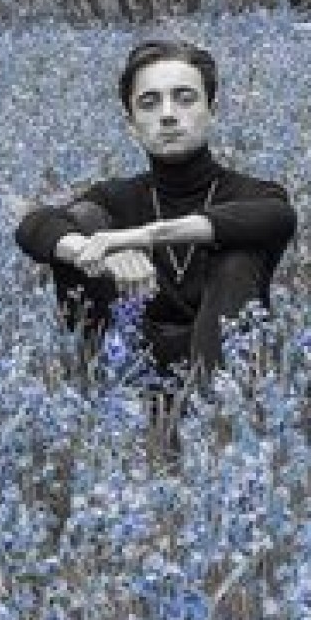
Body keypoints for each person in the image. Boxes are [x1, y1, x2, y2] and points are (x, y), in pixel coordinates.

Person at [16, 39, 297, 375]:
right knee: (84, 221)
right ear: (131, 124)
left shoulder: (252, 192)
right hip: (125, 373)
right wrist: (95, 252)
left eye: (185, 98)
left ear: (212, 110)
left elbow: (278, 217)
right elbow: (34, 226)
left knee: (239, 251)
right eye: (149, 103)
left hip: (227, 378)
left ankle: (212, 394)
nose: (167, 115)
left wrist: (138, 237)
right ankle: (101, 385)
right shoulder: (116, 197)